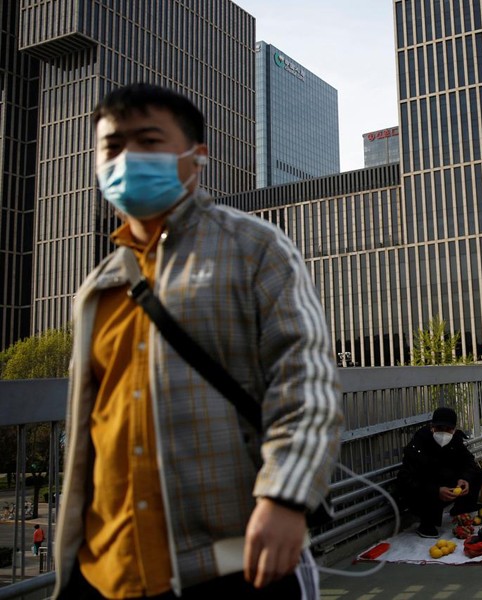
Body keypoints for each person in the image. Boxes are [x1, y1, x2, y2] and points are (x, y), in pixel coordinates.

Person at [53, 83, 343, 600]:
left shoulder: (253, 246)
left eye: (148, 141)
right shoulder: (98, 285)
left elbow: (306, 384)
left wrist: (285, 499)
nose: (128, 159)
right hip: (104, 569)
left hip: (230, 563)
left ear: (197, 156)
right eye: (113, 148)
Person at [396, 407, 482, 538]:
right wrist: (435, 490)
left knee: (477, 472)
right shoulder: (418, 444)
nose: (443, 433)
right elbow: (406, 479)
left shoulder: (455, 440)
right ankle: (426, 523)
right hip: (424, 488)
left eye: (448, 430)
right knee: (426, 486)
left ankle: (463, 507)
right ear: (432, 427)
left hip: (445, 482)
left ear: (454, 430)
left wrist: (464, 478)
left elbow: (468, 461)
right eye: (439, 428)